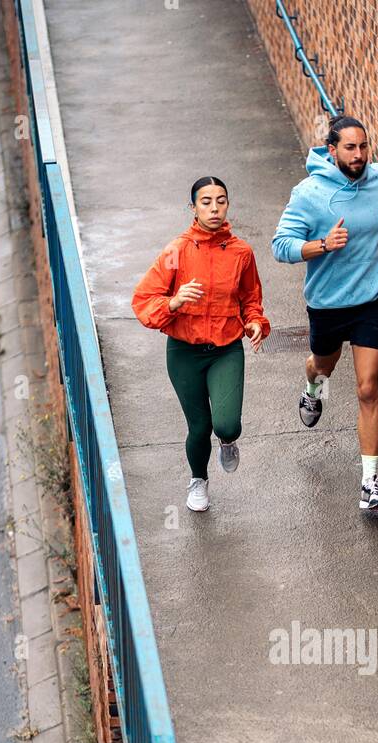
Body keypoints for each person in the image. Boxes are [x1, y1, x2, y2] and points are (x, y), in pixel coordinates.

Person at [272, 116, 378, 511]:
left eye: (363, 146)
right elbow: (281, 246)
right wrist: (322, 244)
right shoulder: (309, 193)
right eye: (350, 148)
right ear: (331, 150)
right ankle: (312, 388)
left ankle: (370, 483)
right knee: (322, 366)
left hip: (373, 298)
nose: (359, 155)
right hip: (329, 303)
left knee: (367, 387)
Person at [132, 177, 270, 512]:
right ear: (193, 207)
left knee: (226, 424)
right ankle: (198, 481)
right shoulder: (176, 251)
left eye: (220, 201)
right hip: (184, 352)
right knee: (199, 426)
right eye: (206, 201)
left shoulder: (241, 252)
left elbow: (251, 299)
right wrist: (174, 303)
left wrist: (254, 322)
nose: (214, 208)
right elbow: (143, 301)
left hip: (225, 350)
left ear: (227, 206)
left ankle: (227, 441)